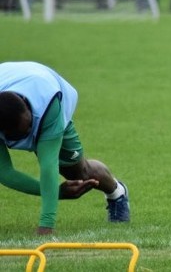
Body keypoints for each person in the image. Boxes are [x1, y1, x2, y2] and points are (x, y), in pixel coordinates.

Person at [0, 61, 130, 235]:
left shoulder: (47, 105)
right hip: (18, 84)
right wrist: (58, 193)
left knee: (78, 173)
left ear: (25, 103)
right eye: (24, 132)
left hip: (46, 92)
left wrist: (46, 226)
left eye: (30, 124)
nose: (33, 132)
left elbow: (48, 165)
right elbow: (4, 172)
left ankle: (117, 193)